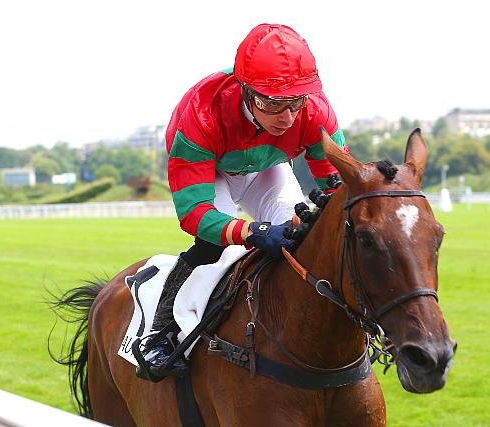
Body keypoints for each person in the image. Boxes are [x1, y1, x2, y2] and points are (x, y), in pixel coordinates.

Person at [138, 23, 347, 381]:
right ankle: (158, 333)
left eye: (296, 102)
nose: (287, 117)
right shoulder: (201, 113)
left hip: (268, 167)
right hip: (213, 170)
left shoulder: (316, 111)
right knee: (215, 247)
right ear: (246, 90)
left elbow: (338, 187)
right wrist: (253, 231)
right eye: (273, 103)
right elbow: (195, 214)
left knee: (302, 237)